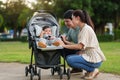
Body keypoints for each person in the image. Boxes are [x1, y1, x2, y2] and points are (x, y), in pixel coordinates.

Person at [59, 10, 106, 80]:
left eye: (72, 18)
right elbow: (79, 44)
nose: (72, 20)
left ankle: (93, 70)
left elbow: (79, 46)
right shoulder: (83, 29)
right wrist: (65, 42)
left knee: (70, 59)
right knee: (70, 58)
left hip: (93, 58)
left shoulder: (86, 29)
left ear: (77, 18)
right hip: (90, 56)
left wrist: (64, 45)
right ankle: (90, 71)